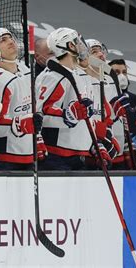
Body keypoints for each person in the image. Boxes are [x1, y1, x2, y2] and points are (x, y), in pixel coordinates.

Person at [36, 27, 112, 170]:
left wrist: (95, 144)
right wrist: (68, 115)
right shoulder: (53, 75)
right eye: (78, 42)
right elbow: (40, 114)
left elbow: (85, 115)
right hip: (57, 155)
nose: (82, 46)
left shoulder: (79, 75)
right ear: (70, 46)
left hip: (79, 153)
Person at [0, 27, 44, 170]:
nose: (10, 41)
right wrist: (20, 124)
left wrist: (37, 138)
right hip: (5, 155)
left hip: (27, 151)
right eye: (3, 40)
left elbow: (32, 110)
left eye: (10, 38)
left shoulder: (25, 70)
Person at [81, 39, 125, 169]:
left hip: (114, 144)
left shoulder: (110, 78)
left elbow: (111, 114)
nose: (101, 55)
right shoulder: (81, 80)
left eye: (101, 51)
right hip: (91, 148)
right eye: (94, 52)